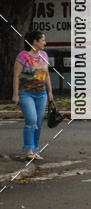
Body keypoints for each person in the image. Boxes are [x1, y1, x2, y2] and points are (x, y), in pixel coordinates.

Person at [12, 30, 53, 161]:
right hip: (26, 94)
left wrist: (50, 92)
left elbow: (46, 75)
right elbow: (16, 76)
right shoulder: (23, 56)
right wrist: (15, 94)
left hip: (41, 94)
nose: (45, 43)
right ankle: (29, 150)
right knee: (31, 120)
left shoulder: (44, 55)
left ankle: (35, 149)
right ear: (35, 42)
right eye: (42, 40)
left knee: (39, 123)